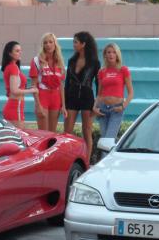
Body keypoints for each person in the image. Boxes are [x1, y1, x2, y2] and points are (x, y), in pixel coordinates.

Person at [64, 31, 100, 162]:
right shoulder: (71, 60)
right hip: (72, 97)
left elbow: (98, 83)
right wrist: (64, 103)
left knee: (87, 131)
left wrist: (97, 103)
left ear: (83, 44)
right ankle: (67, 159)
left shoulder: (94, 62)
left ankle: (86, 161)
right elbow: (67, 83)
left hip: (87, 97)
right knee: (67, 132)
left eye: (75, 42)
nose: (73, 44)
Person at [93, 43, 134, 151]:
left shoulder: (123, 70)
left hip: (116, 109)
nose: (111, 54)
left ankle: (106, 166)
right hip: (102, 109)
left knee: (109, 141)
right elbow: (100, 93)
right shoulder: (102, 71)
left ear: (117, 55)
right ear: (105, 55)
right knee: (103, 141)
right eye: (108, 52)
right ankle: (104, 165)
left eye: (114, 52)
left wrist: (123, 106)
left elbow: (130, 93)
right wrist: (94, 107)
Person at [29, 32, 67, 132]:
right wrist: (38, 105)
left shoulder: (59, 61)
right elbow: (33, 85)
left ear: (55, 44)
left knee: (52, 133)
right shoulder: (37, 60)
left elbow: (61, 85)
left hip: (56, 97)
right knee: (43, 134)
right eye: (45, 43)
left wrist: (63, 105)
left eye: (51, 42)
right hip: (42, 96)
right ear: (43, 45)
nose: (48, 45)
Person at [1, 41, 38, 129]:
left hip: (15, 106)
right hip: (15, 107)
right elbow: (14, 90)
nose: (20, 52)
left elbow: (14, 88)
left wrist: (29, 88)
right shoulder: (13, 67)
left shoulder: (11, 67)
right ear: (10, 53)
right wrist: (32, 90)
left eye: (20, 50)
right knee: (19, 138)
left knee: (14, 138)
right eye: (17, 51)